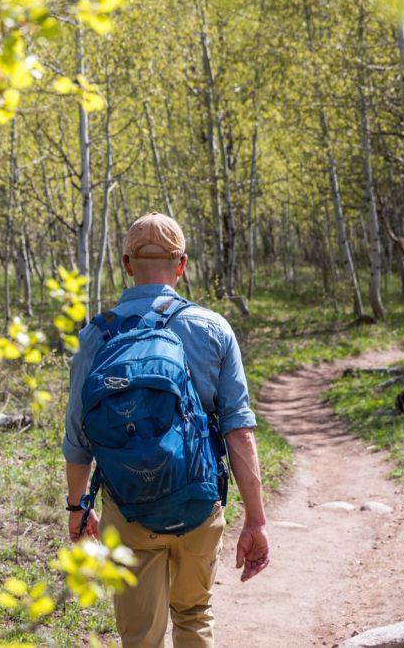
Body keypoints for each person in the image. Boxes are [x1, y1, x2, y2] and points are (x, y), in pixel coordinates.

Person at [63, 212, 270, 648]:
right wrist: (256, 518)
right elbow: (239, 430)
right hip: (198, 504)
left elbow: (79, 438)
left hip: (127, 507)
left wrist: (77, 508)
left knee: (140, 636)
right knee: (194, 614)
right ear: (182, 265)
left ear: (126, 264)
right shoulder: (213, 329)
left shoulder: (94, 337)